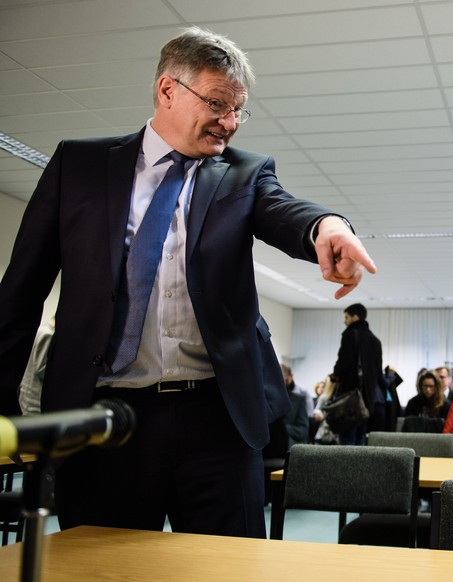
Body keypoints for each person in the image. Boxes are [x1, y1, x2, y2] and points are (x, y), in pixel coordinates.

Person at [0, 27, 376, 539]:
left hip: (216, 419)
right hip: (103, 417)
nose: (230, 123)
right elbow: (19, 295)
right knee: (104, 569)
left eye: (239, 109)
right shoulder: (80, 166)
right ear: (167, 90)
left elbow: (285, 210)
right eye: (218, 103)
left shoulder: (243, 174)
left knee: (228, 568)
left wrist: (327, 227)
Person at [332, 303, 385, 445]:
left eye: (346, 317)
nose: (345, 321)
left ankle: (346, 468)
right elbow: (379, 372)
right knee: (361, 437)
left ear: (355, 317)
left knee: (347, 438)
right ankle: (359, 467)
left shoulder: (350, 334)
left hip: (350, 397)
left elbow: (343, 363)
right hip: (368, 400)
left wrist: (335, 374)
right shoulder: (376, 341)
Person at [17, 316, 55, 414]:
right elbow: (41, 369)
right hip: (34, 400)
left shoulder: (43, 329)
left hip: (27, 394)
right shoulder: (49, 334)